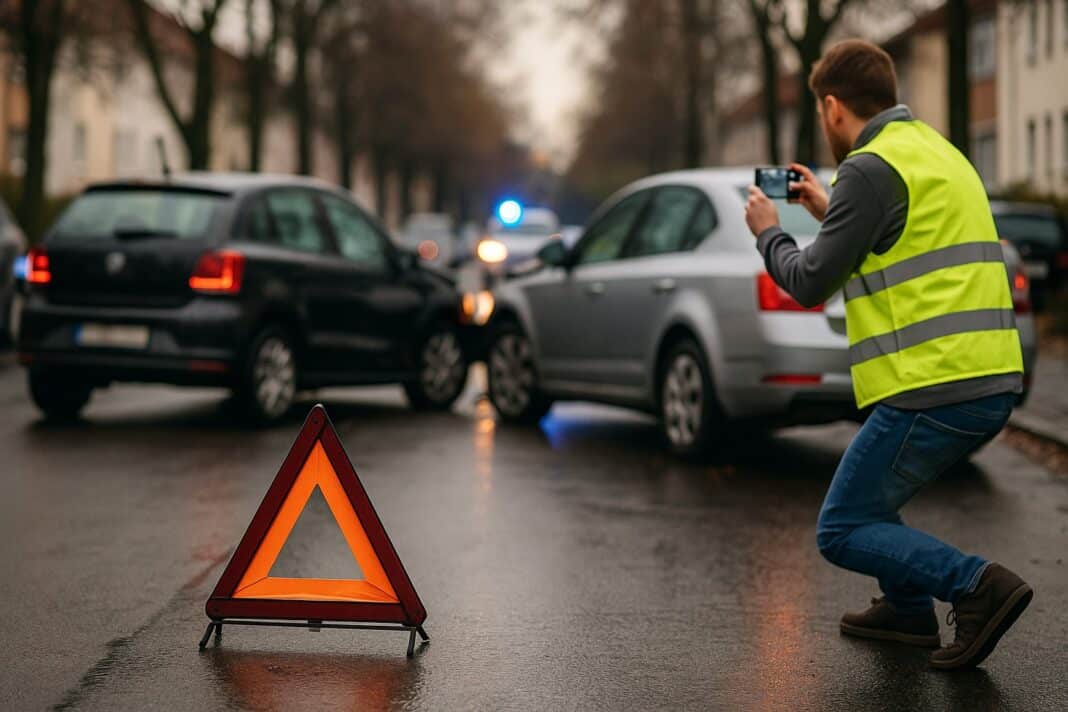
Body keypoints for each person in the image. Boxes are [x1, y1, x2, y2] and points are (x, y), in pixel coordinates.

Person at [743, 39, 1032, 670]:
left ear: (831, 105)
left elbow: (809, 281)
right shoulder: (937, 152)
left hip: (935, 386)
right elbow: (897, 245)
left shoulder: (869, 168)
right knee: (874, 498)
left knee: (842, 526)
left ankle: (977, 586)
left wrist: (769, 231)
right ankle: (905, 610)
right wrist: (826, 208)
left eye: (824, 114)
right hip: (985, 376)